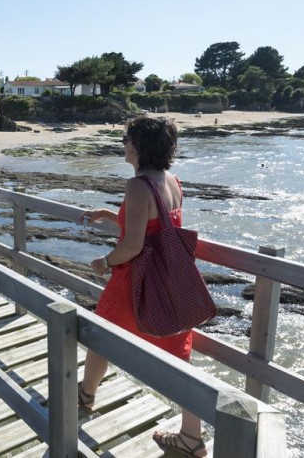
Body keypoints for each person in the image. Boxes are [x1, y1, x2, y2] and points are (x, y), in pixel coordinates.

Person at [78, 116, 206, 457]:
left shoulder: (137, 186)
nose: (123, 144)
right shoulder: (174, 182)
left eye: (126, 138)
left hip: (134, 282)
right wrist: (109, 214)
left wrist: (104, 262)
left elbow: (133, 246)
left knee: (100, 336)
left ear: (138, 146)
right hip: (167, 284)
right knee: (178, 357)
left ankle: (86, 394)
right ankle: (192, 434)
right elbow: (157, 225)